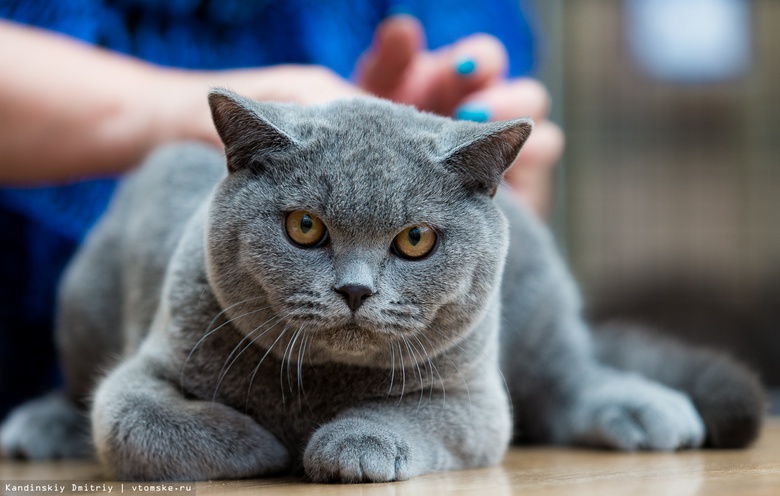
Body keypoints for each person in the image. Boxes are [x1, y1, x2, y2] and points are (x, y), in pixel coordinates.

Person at [0, 0, 563, 420]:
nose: (357, 286)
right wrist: (167, 113)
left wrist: (453, 171)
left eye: (413, 240)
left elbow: (507, 216)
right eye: (305, 229)